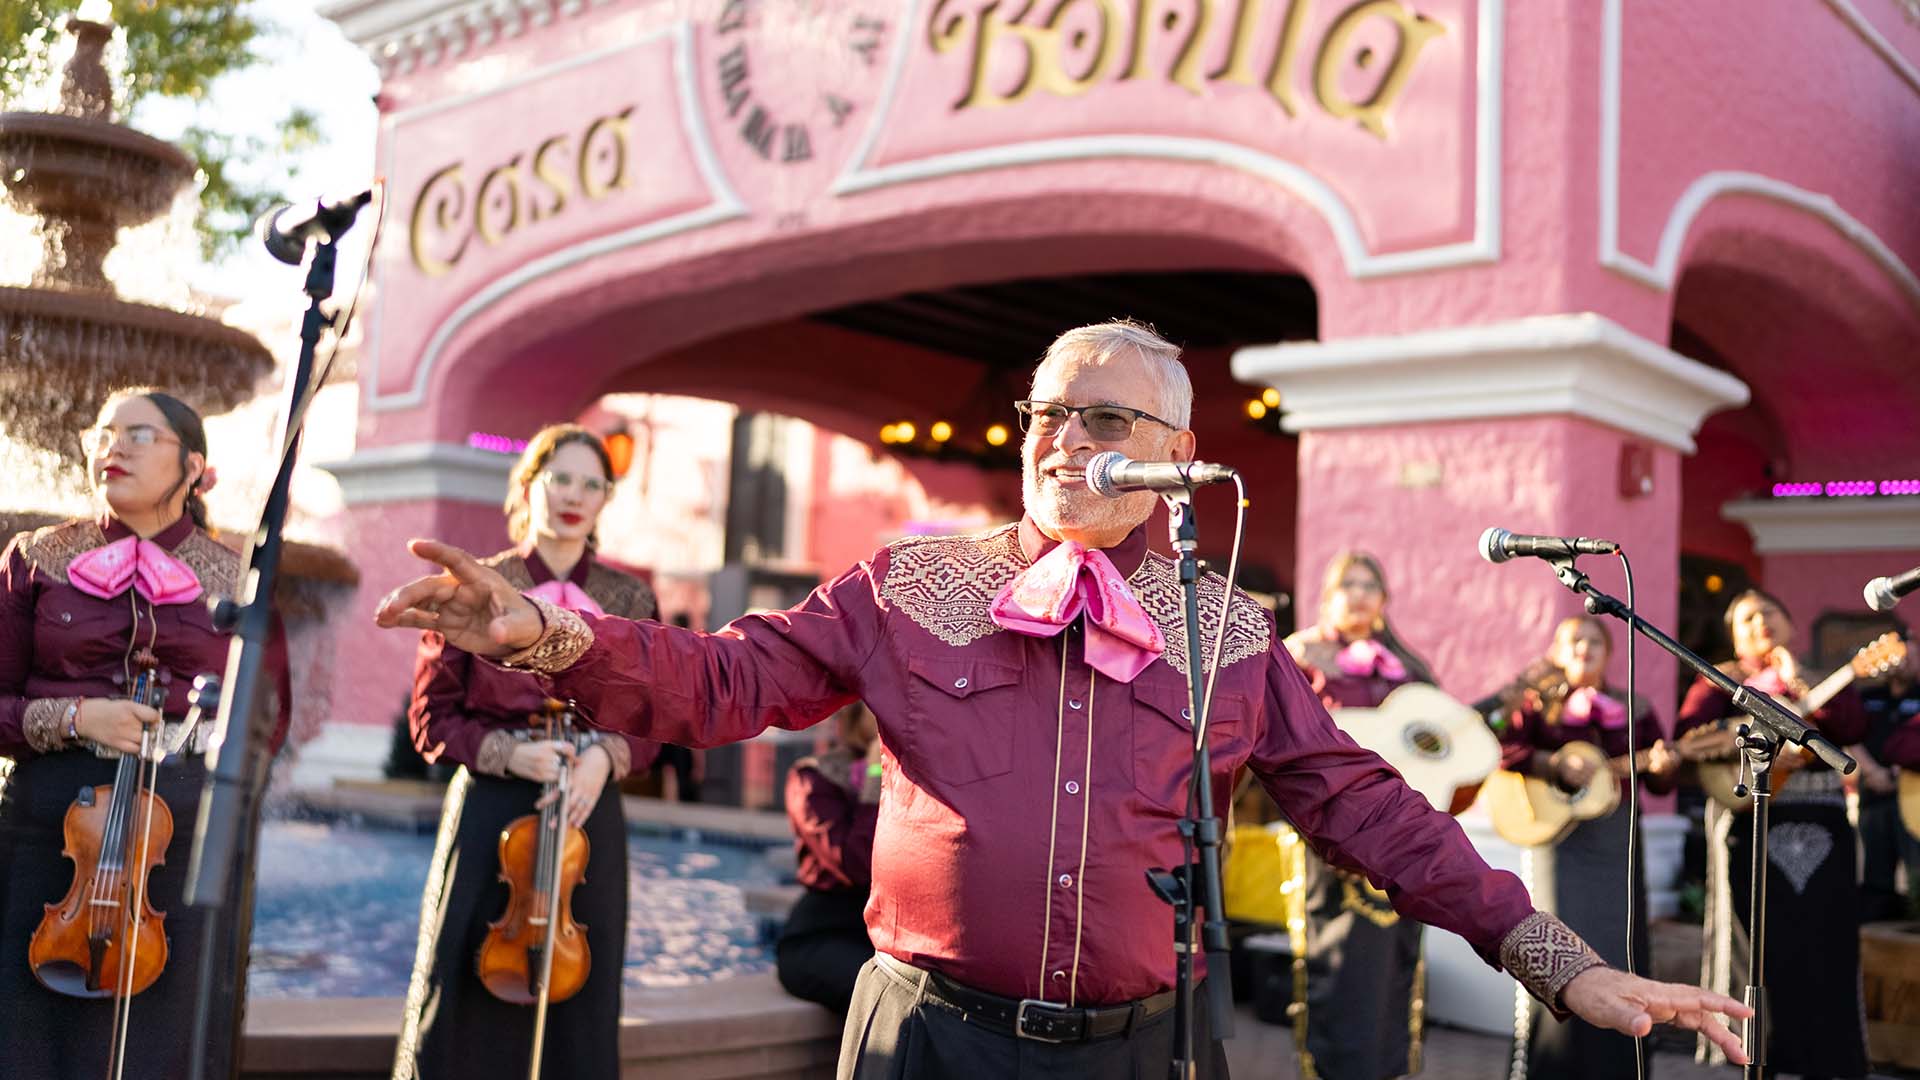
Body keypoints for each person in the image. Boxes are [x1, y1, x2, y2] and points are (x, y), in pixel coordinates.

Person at [376, 320, 1751, 1079]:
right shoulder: (913, 581)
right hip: (924, 1039)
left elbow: (1365, 807)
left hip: (1132, 1057)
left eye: (1103, 418)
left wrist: (1561, 961)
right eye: (1048, 412)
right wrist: (551, 636)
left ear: (1178, 457)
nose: (1062, 438)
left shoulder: (1224, 625)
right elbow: (728, 680)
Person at [0, 388, 289, 1080]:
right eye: (103, 433)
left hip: (179, 847)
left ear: (194, 467)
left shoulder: (240, 579)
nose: (114, 447)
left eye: (138, 435)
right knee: (27, 1037)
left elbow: (266, 724)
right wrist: (74, 717)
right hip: (50, 834)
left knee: (162, 1045)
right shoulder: (34, 558)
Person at [392, 424, 660, 1080]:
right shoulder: (477, 585)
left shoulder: (632, 599)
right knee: (464, 980)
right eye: (560, 478)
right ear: (528, 486)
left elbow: (659, 719)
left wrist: (604, 757)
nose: (574, 495)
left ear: (605, 500)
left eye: (592, 484)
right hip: (494, 806)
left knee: (584, 1001)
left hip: (587, 812)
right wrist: (509, 754)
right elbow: (430, 719)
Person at [1676, 588, 1868, 1077]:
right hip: (1748, 823)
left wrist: (1798, 681)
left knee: (1824, 940)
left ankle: (1826, 1059)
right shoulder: (1718, 682)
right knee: (1754, 943)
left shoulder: (1821, 677)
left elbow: (1850, 723)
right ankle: (1752, 1055)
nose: (1760, 622)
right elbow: (1690, 739)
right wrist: (1755, 739)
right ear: (1734, 636)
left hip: (1822, 827)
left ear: (1790, 624)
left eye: (1769, 613)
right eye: (1747, 619)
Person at [1479, 614, 1680, 1080]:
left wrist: (1665, 762)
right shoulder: (1534, 705)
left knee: (1619, 947)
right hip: (1557, 842)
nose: (1584, 649)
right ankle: (1552, 1066)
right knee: (1556, 948)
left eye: (1594, 641)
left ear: (1609, 653)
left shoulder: (1635, 707)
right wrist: (1553, 764)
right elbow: (1498, 746)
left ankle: (1617, 1067)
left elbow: (1663, 779)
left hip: (1616, 841)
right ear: (1556, 650)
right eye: (1573, 641)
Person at [1280, 551, 1437, 1080]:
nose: (1362, 593)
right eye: (1350, 583)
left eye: (1372, 584)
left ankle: (1389, 1067)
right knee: (1338, 952)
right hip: (1327, 826)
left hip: (1398, 826)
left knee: (1395, 958)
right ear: (1328, 594)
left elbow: (1439, 743)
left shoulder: (1408, 667)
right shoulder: (1299, 654)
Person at [777, 702, 881, 1014]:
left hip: (884, 938)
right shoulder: (813, 778)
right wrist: (876, 776)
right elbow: (854, 865)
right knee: (882, 996)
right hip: (822, 936)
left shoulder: (912, 776)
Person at [1857, 653, 1920, 922]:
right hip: (1873, 792)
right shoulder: (1869, 696)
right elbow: (1850, 735)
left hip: (1913, 794)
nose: (1903, 662)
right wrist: (1870, 770)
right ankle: (1877, 948)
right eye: (1898, 656)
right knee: (1876, 876)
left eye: (1911, 655)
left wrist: (1902, 762)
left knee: (1917, 871)